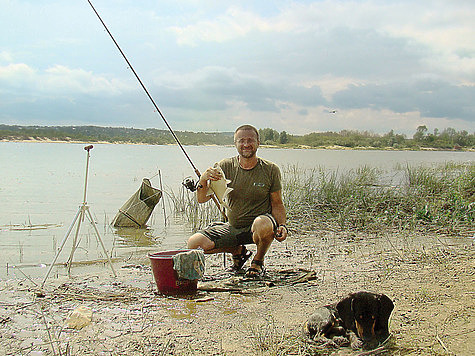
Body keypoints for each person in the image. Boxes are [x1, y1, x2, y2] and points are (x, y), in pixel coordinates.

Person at [187, 124, 287, 278]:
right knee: (193, 244)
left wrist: (282, 226)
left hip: (260, 227)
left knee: (262, 223)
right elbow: (202, 199)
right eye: (241, 141)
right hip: (233, 228)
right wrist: (203, 180)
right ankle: (239, 251)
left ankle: (257, 261)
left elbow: (277, 204)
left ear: (258, 143)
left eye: (250, 140)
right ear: (235, 144)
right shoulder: (225, 166)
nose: (246, 144)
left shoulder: (271, 169)